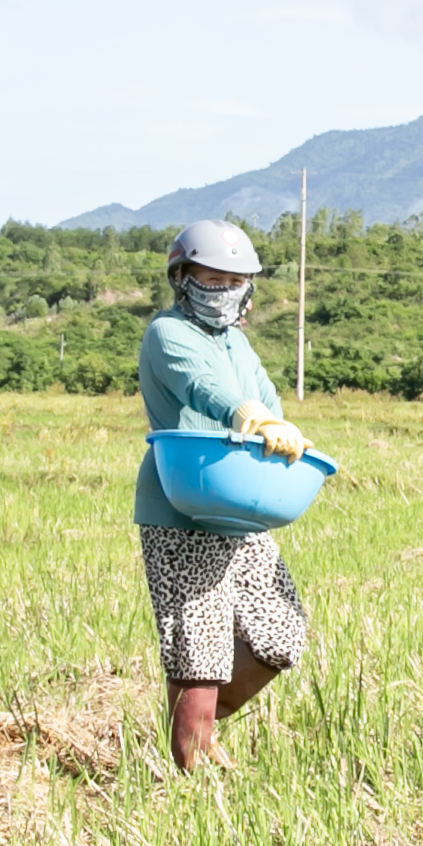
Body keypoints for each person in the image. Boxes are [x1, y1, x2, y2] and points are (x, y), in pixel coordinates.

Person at [135, 220, 317, 772]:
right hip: (182, 501)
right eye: (211, 278)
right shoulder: (166, 332)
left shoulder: (238, 342)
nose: (223, 290)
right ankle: (189, 760)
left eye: (234, 281)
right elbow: (203, 387)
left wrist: (278, 424)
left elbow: (264, 397)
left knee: (280, 633)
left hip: (242, 503)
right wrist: (252, 417)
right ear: (182, 277)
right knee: (199, 644)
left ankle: (197, 732)